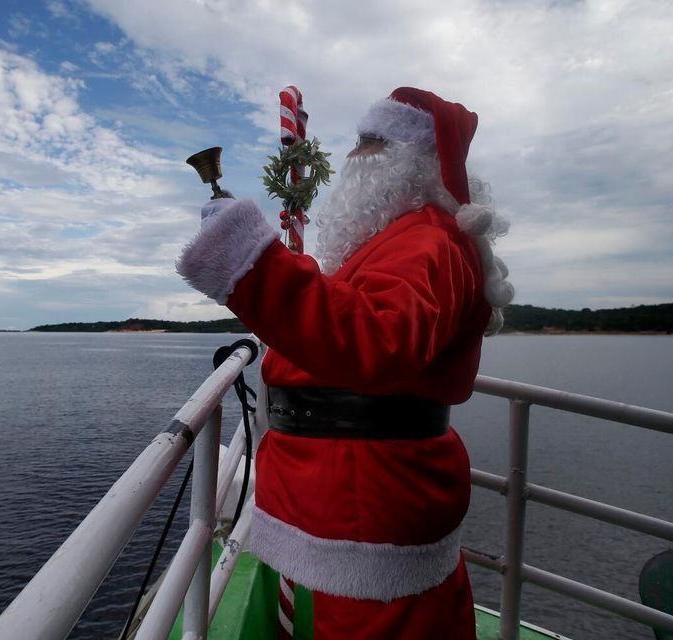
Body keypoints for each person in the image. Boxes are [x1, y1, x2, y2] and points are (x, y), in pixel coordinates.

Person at [176, 87, 513, 639]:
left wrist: (252, 259)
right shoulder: (399, 238)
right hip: (353, 495)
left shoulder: (428, 240)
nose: (353, 158)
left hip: (367, 501)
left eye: (369, 142)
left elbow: (374, 337)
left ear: (415, 160)